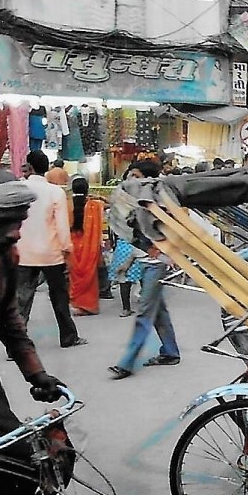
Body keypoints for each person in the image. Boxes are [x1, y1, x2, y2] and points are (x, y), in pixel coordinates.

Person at [0, 181, 69, 495]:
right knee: (21, 461)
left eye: (20, 221)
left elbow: (8, 319)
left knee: (27, 460)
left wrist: (36, 374)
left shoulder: (6, 256)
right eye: (8, 222)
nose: (17, 231)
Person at [108, 161, 181, 379]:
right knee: (158, 311)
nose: (131, 179)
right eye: (130, 175)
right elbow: (136, 238)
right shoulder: (138, 202)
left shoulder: (157, 204)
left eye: (135, 175)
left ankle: (127, 363)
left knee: (144, 313)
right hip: (147, 261)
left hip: (157, 263)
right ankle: (170, 351)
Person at [14, 151, 86, 348]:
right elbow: (62, 225)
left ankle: (17, 345)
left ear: (29, 166)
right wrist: (66, 248)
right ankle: (68, 337)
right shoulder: (55, 192)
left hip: (24, 251)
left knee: (22, 298)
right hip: (51, 252)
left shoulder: (19, 189)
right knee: (59, 296)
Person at [67, 176, 105, 316]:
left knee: (74, 275)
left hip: (73, 245)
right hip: (89, 246)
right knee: (90, 275)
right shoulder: (94, 205)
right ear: (87, 188)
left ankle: (76, 303)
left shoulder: (68, 205)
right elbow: (110, 204)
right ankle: (88, 305)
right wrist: (98, 196)